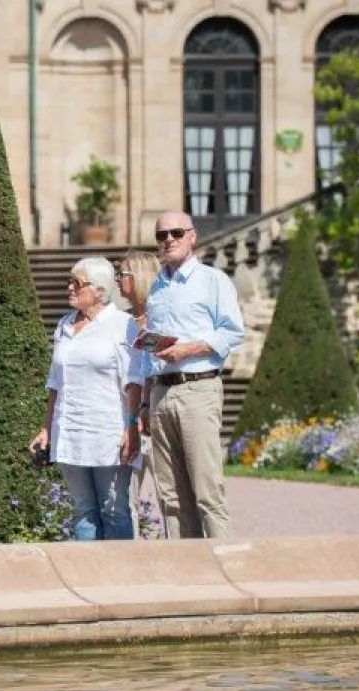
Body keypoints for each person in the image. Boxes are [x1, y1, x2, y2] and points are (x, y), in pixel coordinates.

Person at [143, 211, 245, 539]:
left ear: (192, 236)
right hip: (161, 392)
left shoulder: (212, 280)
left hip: (197, 389)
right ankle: (185, 564)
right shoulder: (156, 286)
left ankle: (225, 561)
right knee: (170, 497)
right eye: (161, 235)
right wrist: (145, 402)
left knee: (207, 490)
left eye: (176, 233)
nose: (168, 240)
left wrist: (187, 350)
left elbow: (232, 332)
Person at [29, 258, 142, 541]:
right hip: (69, 430)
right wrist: (46, 428)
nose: (70, 287)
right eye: (69, 281)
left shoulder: (123, 325)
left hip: (107, 433)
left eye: (77, 283)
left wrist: (131, 427)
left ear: (99, 290)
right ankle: (87, 567)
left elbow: (133, 382)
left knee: (114, 510)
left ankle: (120, 567)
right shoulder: (64, 325)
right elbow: (55, 383)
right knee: (83, 510)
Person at [116, 250, 163, 533]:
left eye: (122, 274)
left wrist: (145, 408)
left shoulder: (159, 319)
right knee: (125, 497)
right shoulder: (120, 321)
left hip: (154, 411)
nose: (117, 280)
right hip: (125, 415)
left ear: (139, 277)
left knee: (167, 492)